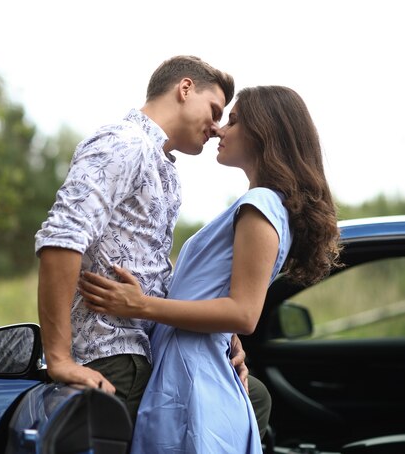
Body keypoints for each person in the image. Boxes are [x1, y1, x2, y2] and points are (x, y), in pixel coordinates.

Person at [79, 84, 343, 454]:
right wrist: (224, 335)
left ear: (263, 132)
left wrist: (140, 306)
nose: (219, 129)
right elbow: (221, 299)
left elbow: (243, 313)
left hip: (194, 379)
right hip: (187, 368)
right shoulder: (261, 205)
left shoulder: (260, 204)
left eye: (232, 120)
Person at [35, 54, 269, 433]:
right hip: (114, 358)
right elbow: (62, 237)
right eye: (214, 109)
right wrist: (59, 358)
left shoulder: (164, 168)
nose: (216, 127)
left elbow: (156, 273)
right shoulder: (123, 142)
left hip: (151, 352)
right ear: (185, 88)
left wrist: (222, 334)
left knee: (252, 396)